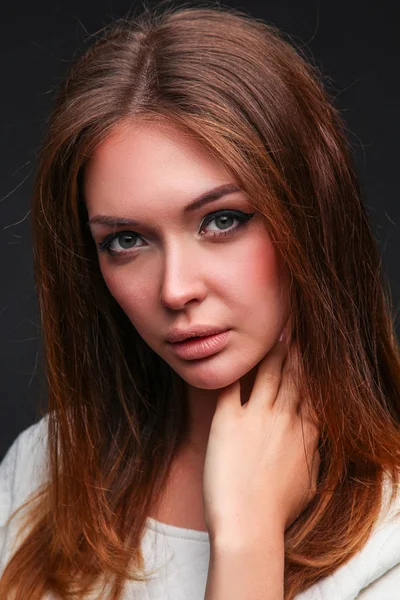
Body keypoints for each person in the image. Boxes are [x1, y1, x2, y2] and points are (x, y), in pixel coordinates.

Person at [1, 2, 400, 599]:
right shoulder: (43, 468)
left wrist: (246, 535)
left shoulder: (389, 530)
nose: (175, 289)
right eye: (126, 240)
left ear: (312, 216)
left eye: (222, 220)